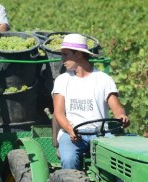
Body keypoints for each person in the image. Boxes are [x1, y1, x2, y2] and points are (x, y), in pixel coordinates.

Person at [52, 33, 130, 170]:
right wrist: (70, 130)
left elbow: (117, 109)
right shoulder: (62, 80)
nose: (62, 59)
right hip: (72, 134)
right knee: (69, 159)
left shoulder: (103, 79)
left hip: (101, 134)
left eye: (65, 54)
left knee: (120, 160)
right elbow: (58, 113)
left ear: (79, 54)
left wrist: (121, 117)